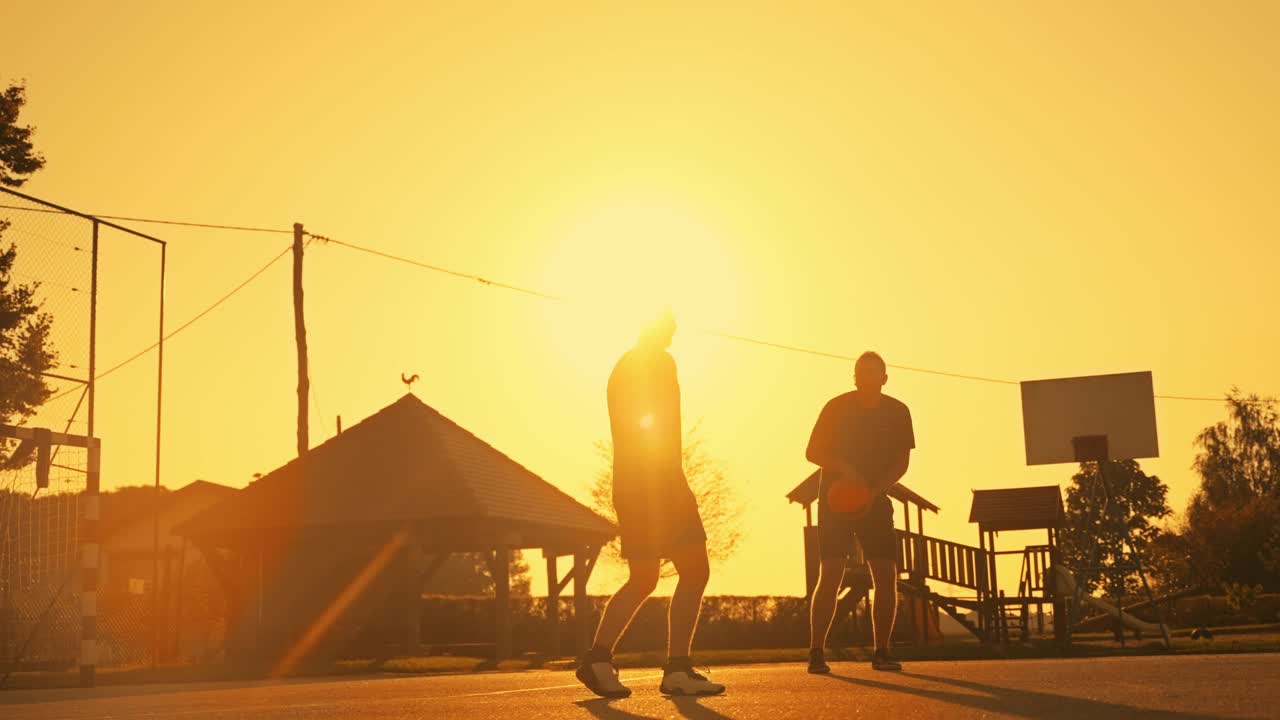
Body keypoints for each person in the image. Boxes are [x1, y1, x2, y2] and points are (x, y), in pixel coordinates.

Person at [576, 310, 725, 698]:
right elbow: (652, 422)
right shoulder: (656, 362)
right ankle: (676, 669)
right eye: (669, 322)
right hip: (655, 484)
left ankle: (597, 658)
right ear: (651, 326)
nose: (675, 328)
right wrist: (669, 483)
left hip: (634, 483)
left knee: (644, 578)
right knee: (694, 571)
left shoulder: (625, 364)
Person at [805, 351, 915, 673]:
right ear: (854, 377)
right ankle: (816, 652)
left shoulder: (898, 412)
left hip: (875, 500)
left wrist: (874, 490)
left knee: (885, 576)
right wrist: (846, 471)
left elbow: (901, 463)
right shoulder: (836, 407)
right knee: (831, 574)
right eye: (861, 372)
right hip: (836, 500)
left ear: (884, 377)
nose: (867, 377)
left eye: (874, 372)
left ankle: (882, 651)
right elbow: (812, 452)